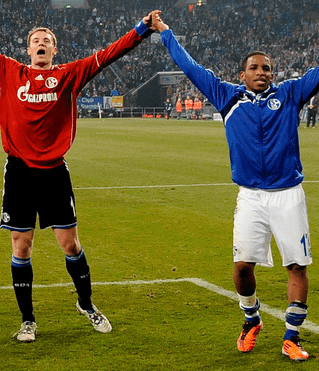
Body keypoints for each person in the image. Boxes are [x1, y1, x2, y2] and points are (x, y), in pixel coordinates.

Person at [0, 9, 160, 342]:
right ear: (27, 49)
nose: (41, 44)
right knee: (21, 247)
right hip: (19, 171)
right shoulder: (8, 70)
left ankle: (86, 303)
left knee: (71, 244)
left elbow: (108, 55)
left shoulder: (69, 74)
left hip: (53, 172)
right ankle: (28, 320)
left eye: (46, 41)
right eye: (36, 41)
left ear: (54, 50)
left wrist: (142, 30)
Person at [154, 14, 314, 361]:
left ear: (273, 73)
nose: (262, 72)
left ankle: (292, 336)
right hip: (251, 197)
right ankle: (251, 318)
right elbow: (190, 65)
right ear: (242, 74)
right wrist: (165, 34)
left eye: (267, 68)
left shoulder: (289, 94)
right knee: (242, 266)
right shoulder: (227, 97)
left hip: (288, 195)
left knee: (296, 266)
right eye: (255, 68)